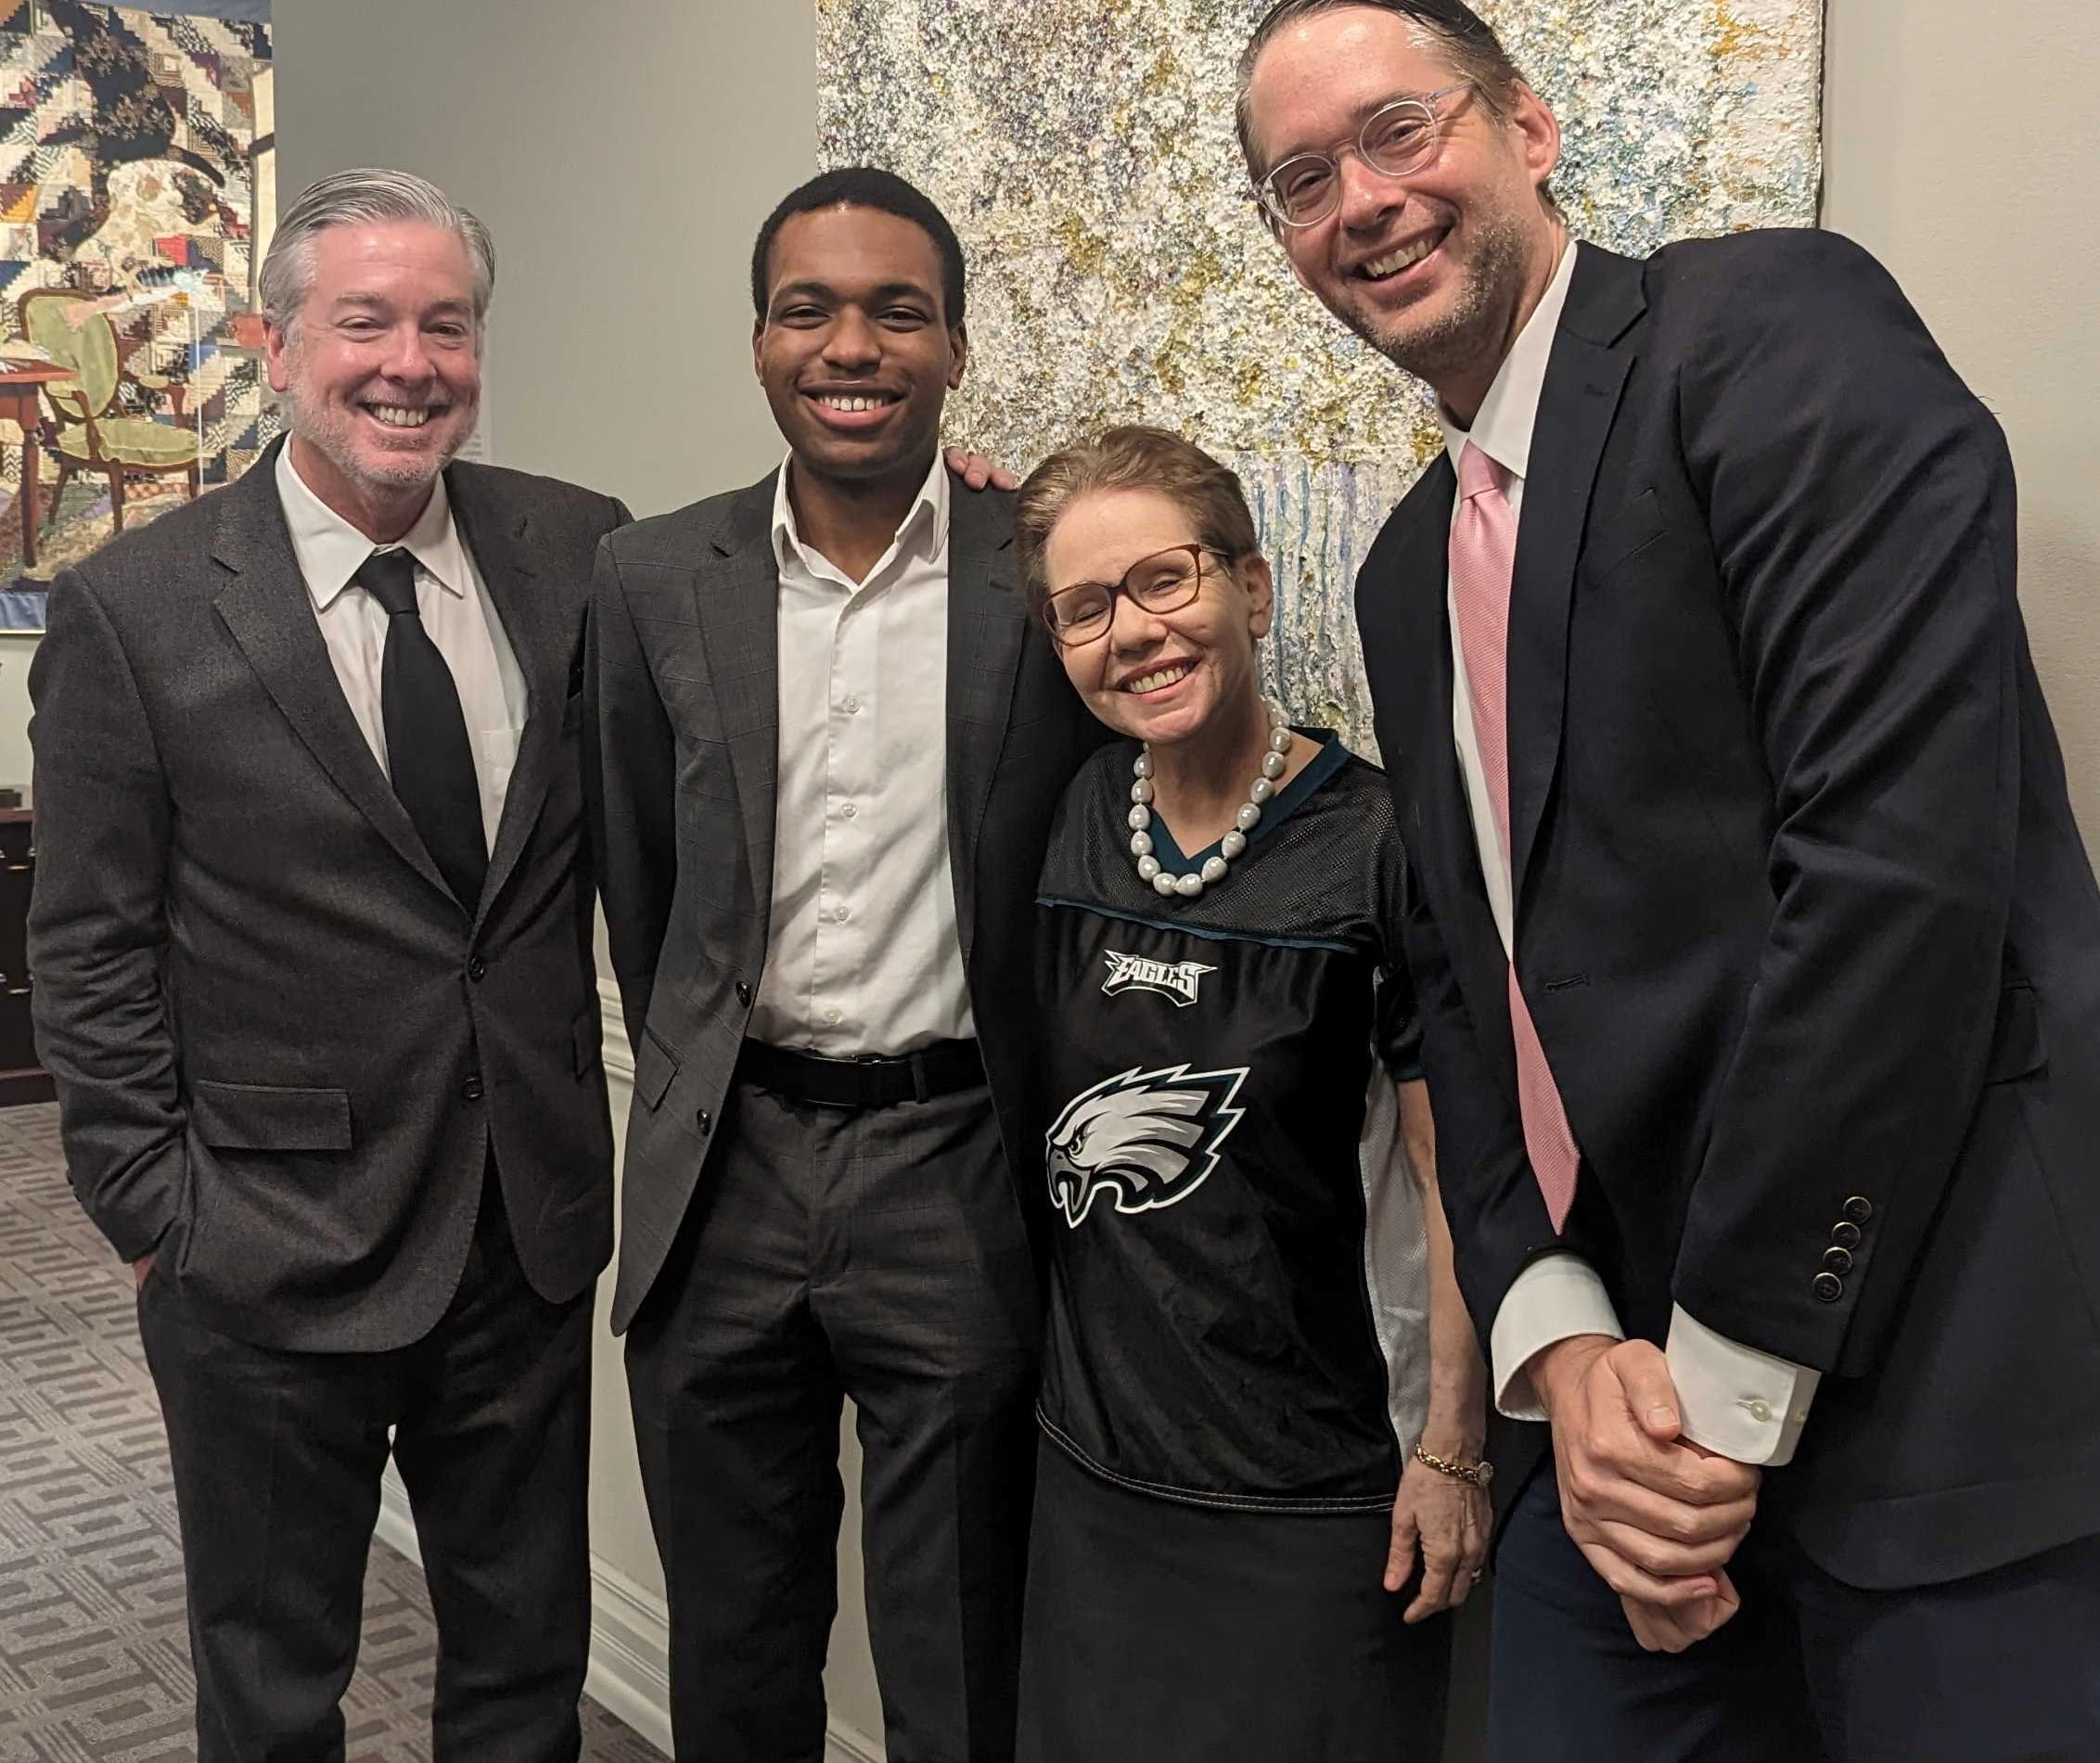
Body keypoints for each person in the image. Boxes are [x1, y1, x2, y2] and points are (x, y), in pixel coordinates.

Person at [1234, 0, 2100, 1760]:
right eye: (1300, 180)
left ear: (1531, 128)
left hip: (1934, 1386)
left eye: (1398, 131)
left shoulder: (1768, 328)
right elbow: (1464, 1000)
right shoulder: (1410, 567)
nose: (1360, 201)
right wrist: (1560, 1347)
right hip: (1613, 1405)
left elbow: (1892, 878)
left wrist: (1713, 1388)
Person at [27, 168, 629, 1761]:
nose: (407, 362)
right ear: (276, 345)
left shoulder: (580, 552)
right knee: (277, 1679)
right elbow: (87, 945)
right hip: (262, 1245)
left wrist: (961, 494)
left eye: (448, 324)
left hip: (523, 1231)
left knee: (522, 1672)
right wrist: (154, 1210)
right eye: (364, 322)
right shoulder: (135, 609)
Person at [586, 165, 1101, 1763]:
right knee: (734, 1656)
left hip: (958, 1168)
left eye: (898, 309)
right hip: (722, 1171)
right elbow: (639, 876)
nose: (851, 343)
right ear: (759, 341)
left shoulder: (1048, 567)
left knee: (959, 1654)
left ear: (954, 345)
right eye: (809, 307)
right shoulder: (655, 578)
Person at [1006, 425, 1490, 1762]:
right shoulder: (1072, 816)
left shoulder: (1379, 844)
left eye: (1167, 579)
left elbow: (1457, 1179)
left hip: (1314, 1497)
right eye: (1087, 606)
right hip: (1093, 1476)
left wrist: (1452, 1447)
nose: (1136, 631)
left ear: (1254, 590)